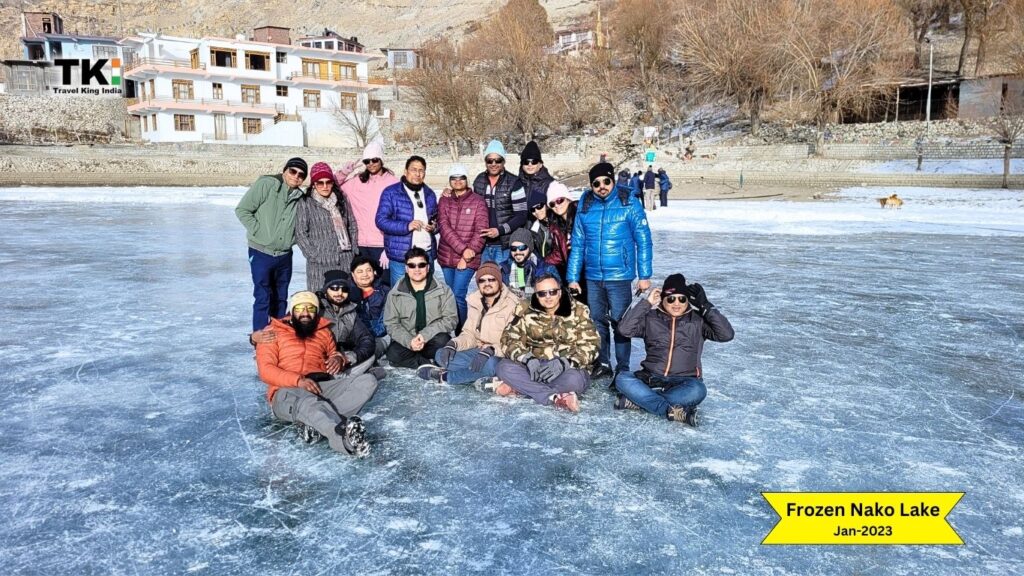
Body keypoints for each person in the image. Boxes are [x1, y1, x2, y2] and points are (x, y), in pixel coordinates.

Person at [255, 291, 377, 456]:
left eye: (310, 308)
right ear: (292, 310)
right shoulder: (271, 333)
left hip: (321, 385)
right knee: (309, 402)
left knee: (367, 381)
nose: (305, 313)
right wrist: (298, 381)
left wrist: (338, 359)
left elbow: (333, 354)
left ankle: (314, 425)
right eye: (299, 308)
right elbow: (266, 370)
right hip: (286, 389)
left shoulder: (323, 332)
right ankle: (343, 439)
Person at [567, 162, 653, 380]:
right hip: (593, 276)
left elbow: (643, 239)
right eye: (596, 183)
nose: (601, 186)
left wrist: (644, 275)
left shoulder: (628, 203)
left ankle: (622, 368)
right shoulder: (585, 205)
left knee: (621, 324)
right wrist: (573, 277)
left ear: (613, 181)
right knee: (597, 321)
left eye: (606, 181)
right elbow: (577, 243)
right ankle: (603, 361)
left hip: (620, 276)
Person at [615, 274, 734, 426]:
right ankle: (670, 410)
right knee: (622, 378)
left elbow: (726, 335)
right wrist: (646, 303)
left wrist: (705, 305)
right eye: (671, 299)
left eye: (682, 299)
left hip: (685, 381)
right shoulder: (651, 318)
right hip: (651, 378)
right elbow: (624, 330)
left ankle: (641, 402)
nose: (676, 303)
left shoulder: (697, 320)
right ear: (663, 299)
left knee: (698, 391)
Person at [494, 274, 599, 412]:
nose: (548, 297)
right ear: (537, 295)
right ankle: (555, 397)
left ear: (560, 292)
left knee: (575, 380)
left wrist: (566, 362)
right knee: (503, 367)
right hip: (535, 367)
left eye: (552, 292)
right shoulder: (525, 309)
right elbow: (509, 338)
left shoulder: (579, 310)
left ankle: (522, 387)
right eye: (542, 293)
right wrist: (526, 358)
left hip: (566, 368)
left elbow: (591, 344)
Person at [417, 262, 519, 386]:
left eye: (491, 279)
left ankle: (446, 376)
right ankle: (479, 376)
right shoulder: (475, 301)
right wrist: (453, 344)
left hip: (500, 355)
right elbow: (469, 333)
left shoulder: (512, 304)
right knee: (441, 355)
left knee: (491, 365)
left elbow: (515, 343)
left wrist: (491, 350)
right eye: (482, 280)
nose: (487, 284)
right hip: (478, 351)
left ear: (498, 280)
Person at [236, 157, 306, 334]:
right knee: (263, 296)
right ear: (285, 170)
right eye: (293, 171)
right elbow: (242, 210)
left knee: (281, 297)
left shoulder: (300, 197)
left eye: (301, 175)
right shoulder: (267, 185)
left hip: (284, 255)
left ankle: (279, 334)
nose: (296, 176)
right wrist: (259, 231)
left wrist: (292, 239)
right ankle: (260, 336)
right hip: (261, 252)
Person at [383, 248, 458, 368]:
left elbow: (451, 319)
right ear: (406, 269)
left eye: (421, 265)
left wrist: (425, 335)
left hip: (433, 339)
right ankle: (426, 364)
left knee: (443, 342)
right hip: (409, 340)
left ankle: (426, 360)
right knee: (393, 354)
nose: (417, 269)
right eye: (412, 265)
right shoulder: (395, 293)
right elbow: (391, 324)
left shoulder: (444, 290)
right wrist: (409, 341)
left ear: (427, 267)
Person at [436, 163, 488, 329]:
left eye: (461, 178)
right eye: (454, 178)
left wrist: (468, 253)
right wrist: (462, 250)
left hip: (469, 256)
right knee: (450, 295)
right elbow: (443, 227)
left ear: (467, 179)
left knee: (458, 294)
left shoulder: (478, 202)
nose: (458, 181)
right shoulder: (444, 200)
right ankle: (453, 328)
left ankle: (463, 332)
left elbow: (481, 230)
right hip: (446, 256)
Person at [295, 162, 360, 291]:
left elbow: (352, 225)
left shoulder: (341, 199)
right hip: (320, 263)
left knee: (343, 298)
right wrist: (315, 256)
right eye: (320, 183)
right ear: (314, 184)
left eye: (328, 182)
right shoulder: (306, 202)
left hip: (344, 260)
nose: (325, 186)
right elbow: (301, 233)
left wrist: (353, 250)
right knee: (320, 298)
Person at [376, 156, 439, 287]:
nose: (417, 174)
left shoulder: (429, 194)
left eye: (421, 170)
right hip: (401, 255)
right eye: (414, 170)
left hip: (426, 253)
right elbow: (381, 221)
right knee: (401, 294)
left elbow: (436, 219)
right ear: (405, 171)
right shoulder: (391, 192)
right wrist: (407, 226)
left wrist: (434, 227)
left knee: (426, 295)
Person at [335, 141, 399, 271]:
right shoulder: (357, 182)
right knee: (362, 286)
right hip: (360, 244)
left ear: (381, 159)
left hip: (383, 245)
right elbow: (330, 187)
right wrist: (343, 173)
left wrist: (390, 246)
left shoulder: (394, 183)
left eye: (374, 160)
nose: (371, 164)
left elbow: (401, 215)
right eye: (367, 161)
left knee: (385, 287)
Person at [317, 270, 382, 379]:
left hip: (341, 359)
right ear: (325, 290)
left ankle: (344, 376)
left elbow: (366, 339)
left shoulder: (350, 311)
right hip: (318, 359)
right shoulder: (316, 308)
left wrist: (346, 358)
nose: (339, 293)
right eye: (334, 288)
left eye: (344, 289)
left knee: (371, 355)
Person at [473, 139, 528, 267]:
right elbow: (470, 204)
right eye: (489, 160)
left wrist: (500, 230)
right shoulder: (479, 180)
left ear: (503, 161)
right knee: (486, 282)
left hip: (505, 245)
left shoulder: (514, 182)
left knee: (504, 282)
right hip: (483, 244)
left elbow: (521, 215)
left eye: (498, 160)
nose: (493, 164)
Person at [542, 181, 585, 303]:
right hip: (574, 273)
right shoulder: (557, 225)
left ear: (568, 199)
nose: (556, 205)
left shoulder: (581, 216)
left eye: (560, 200)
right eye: (552, 203)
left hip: (589, 270)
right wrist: (543, 262)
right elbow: (559, 252)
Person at [350, 255, 390, 359]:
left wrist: (370, 335)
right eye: (360, 271)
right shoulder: (346, 293)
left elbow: (386, 319)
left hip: (380, 334)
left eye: (368, 270)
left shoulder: (385, 292)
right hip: (356, 337)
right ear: (353, 275)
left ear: (374, 272)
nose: (365, 274)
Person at [502, 228, 555, 299]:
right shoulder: (505, 268)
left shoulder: (546, 268)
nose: (517, 251)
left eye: (522, 248)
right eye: (513, 248)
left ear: (530, 248)